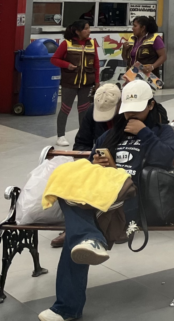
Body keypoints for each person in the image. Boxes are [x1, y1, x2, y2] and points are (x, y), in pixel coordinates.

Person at [38, 80, 174, 321]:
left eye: (138, 109)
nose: (131, 114)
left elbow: (165, 160)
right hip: (101, 200)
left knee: (75, 234)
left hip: (134, 203)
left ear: (151, 105)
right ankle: (90, 239)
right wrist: (97, 163)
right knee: (67, 178)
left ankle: (66, 308)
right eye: (127, 110)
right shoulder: (111, 135)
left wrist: (144, 133)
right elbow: (93, 163)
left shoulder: (162, 132)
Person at [50, 83, 122, 250]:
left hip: (123, 170)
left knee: (101, 184)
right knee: (70, 177)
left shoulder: (130, 115)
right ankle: (74, 227)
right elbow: (80, 145)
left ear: (120, 105)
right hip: (98, 166)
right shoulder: (91, 112)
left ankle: (79, 230)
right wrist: (93, 159)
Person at [52, 20, 100, 148]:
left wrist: (97, 81)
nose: (89, 31)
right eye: (86, 28)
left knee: (84, 111)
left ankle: (83, 136)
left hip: (87, 83)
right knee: (65, 109)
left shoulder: (92, 43)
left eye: (89, 28)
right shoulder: (66, 43)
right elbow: (54, 59)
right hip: (70, 83)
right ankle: (60, 136)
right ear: (77, 31)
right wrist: (67, 65)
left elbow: (96, 63)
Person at [121, 16, 166, 80]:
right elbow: (125, 59)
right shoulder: (131, 38)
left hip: (148, 77)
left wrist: (152, 67)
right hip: (132, 76)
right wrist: (124, 49)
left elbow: (163, 56)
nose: (132, 28)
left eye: (135, 26)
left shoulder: (155, 38)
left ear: (143, 28)